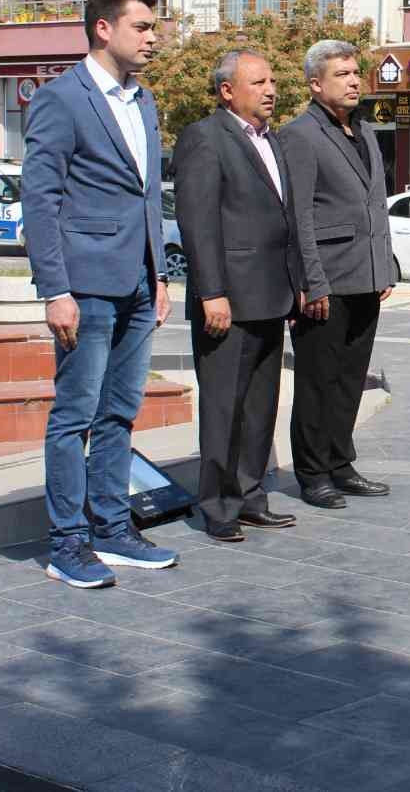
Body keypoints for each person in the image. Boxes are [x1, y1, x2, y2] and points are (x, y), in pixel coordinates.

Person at [21, 0, 178, 588]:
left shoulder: (144, 101)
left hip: (138, 281)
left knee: (120, 413)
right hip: (84, 285)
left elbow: (147, 195)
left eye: (154, 28)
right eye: (142, 27)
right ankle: (67, 543)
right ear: (103, 28)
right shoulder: (62, 99)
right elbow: (40, 198)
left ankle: (112, 529)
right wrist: (54, 291)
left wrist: (158, 274)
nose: (153, 38)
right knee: (74, 416)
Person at [172, 50, 302, 543]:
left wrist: (298, 284)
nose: (271, 90)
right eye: (259, 82)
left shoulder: (272, 140)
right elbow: (198, 221)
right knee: (224, 407)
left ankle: (250, 496)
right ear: (227, 91)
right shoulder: (205, 137)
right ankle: (218, 506)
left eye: (273, 81)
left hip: (272, 296)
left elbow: (284, 219)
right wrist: (212, 292)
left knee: (260, 407)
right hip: (227, 301)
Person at [278, 41, 395, 507]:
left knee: (350, 379)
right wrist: (311, 281)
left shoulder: (364, 130)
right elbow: (299, 216)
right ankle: (312, 473)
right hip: (325, 279)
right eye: (341, 74)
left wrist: (384, 266)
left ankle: (340, 462)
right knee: (317, 381)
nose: (353, 81)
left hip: (366, 275)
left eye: (354, 72)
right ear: (315, 84)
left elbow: (375, 203)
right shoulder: (299, 135)